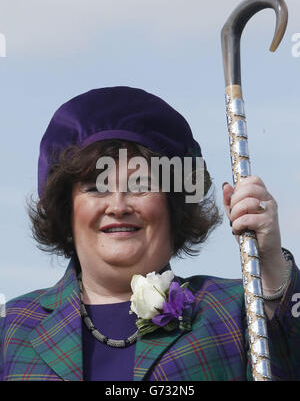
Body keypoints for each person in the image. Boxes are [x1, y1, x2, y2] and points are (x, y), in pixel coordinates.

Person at [0, 86, 299, 381]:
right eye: (95, 187)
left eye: (140, 185)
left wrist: (269, 265)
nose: (117, 206)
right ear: (67, 208)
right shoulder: (10, 328)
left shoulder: (238, 312)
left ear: (173, 205)